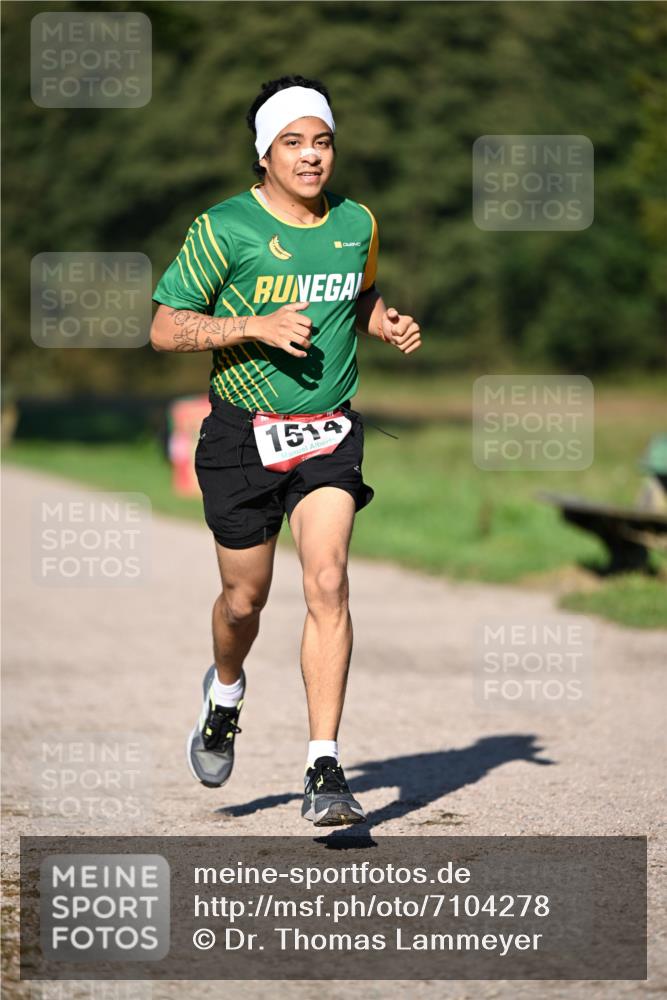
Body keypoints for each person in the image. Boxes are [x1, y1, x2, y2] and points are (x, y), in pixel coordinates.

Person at [150, 75, 421, 827]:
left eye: (322, 141)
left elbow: (353, 293)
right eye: (293, 143)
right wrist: (254, 326)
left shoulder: (357, 222)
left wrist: (382, 320)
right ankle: (226, 691)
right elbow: (167, 327)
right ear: (264, 153)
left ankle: (323, 765)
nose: (311, 157)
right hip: (241, 434)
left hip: (327, 430)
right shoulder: (223, 228)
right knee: (244, 602)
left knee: (327, 580)